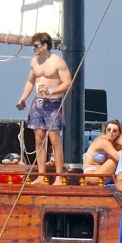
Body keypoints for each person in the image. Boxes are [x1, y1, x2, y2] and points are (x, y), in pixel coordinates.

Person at [16, 31, 74, 180]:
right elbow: (30, 81)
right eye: (32, 46)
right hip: (38, 102)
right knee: (39, 138)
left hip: (53, 102)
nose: (33, 48)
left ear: (45, 46)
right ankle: (42, 176)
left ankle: (59, 177)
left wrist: (52, 90)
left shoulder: (57, 61)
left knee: (54, 138)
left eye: (36, 45)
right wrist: (23, 98)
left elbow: (68, 83)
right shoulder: (34, 61)